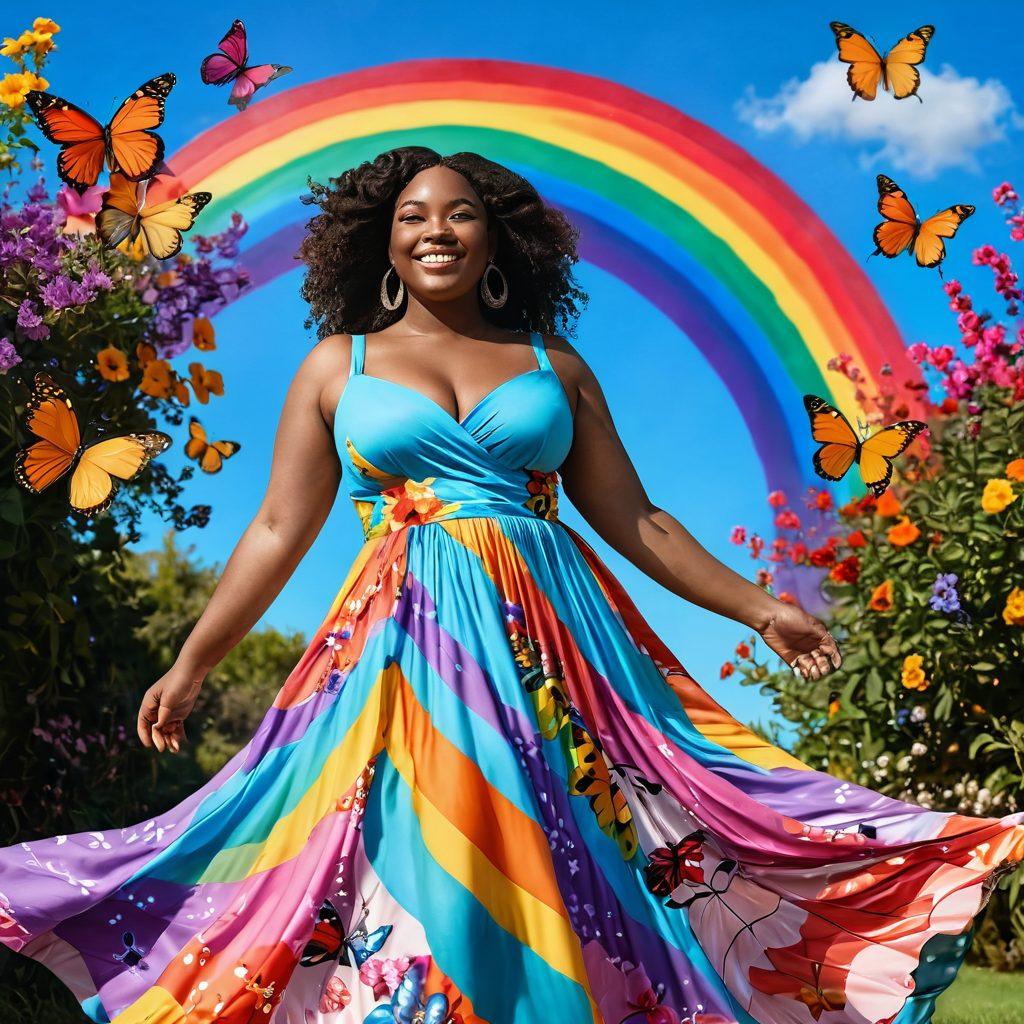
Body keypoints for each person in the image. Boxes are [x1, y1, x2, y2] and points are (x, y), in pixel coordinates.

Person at [2, 147, 1022, 1024]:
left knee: (586, 846)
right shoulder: (335, 364)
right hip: (407, 648)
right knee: (422, 847)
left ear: (499, 242)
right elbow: (276, 527)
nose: (435, 229)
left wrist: (762, 606)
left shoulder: (553, 363)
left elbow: (640, 519)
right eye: (412, 216)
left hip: (557, 648)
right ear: (380, 242)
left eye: (459, 213)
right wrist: (194, 659)